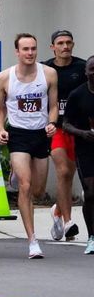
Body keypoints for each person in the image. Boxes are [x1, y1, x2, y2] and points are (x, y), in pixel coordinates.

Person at [0, 33, 59, 259]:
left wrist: (52, 122)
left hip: (41, 134)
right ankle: (32, 241)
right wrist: (1, 129)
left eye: (33, 48)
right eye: (25, 49)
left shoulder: (49, 74)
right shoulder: (4, 77)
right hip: (18, 134)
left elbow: (53, 105)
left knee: (39, 191)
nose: (30, 53)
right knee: (25, 185)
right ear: (17, 52)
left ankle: (54, 210)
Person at [44, 29, 85, 241]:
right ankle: (68, 222)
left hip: (78, 129)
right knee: (63, 171)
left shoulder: (83, 67)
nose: (65, 46)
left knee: (71, 173)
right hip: (56, 127)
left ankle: (58, 211)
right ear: (53, 47)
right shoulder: (44, 69)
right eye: (60, 43)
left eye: (69, 42)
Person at [60, 57, 94, 254]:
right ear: (86, 72)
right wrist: (82, 133)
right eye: (92, 69)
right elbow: (65, 124)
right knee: (90, 193)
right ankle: (91, 236)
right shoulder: (77, 95)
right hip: (85, 149)